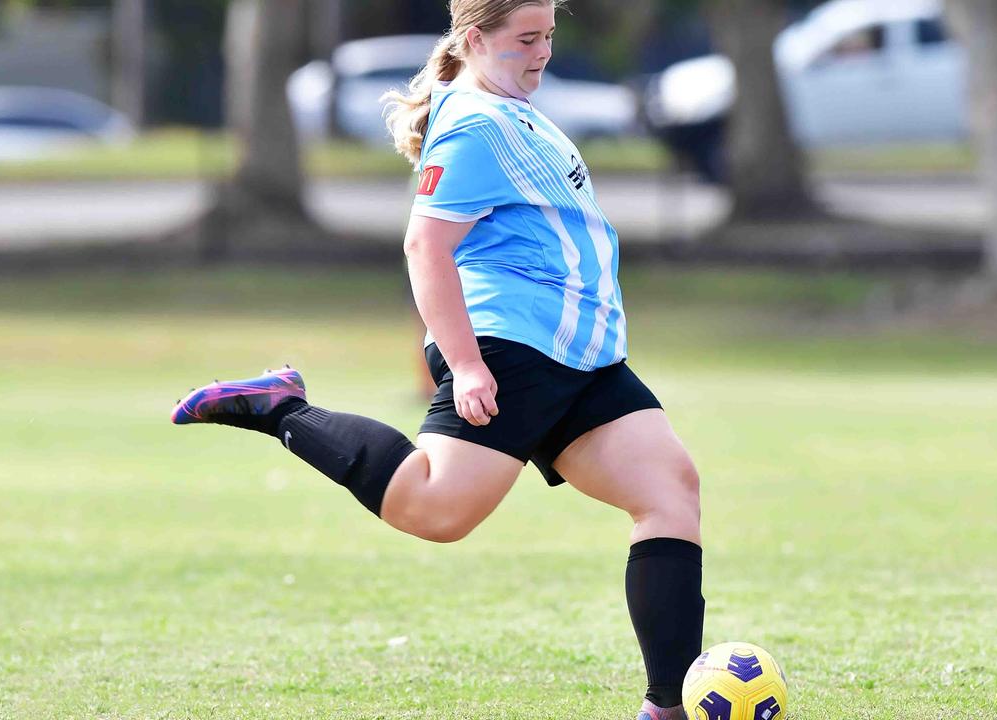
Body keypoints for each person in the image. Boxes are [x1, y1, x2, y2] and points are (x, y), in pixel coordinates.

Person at [171, 2, 703, 718]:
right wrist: (468, 364)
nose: (542, 51)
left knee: (670, 490)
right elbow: (425, 248)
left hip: (583, 354)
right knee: (434, 509)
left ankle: (668, 707)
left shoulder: (512, 106)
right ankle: (282, 408)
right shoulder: (477, 124)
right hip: (513, 349)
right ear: (476, 38)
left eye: (548, 35)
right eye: (526, 38)